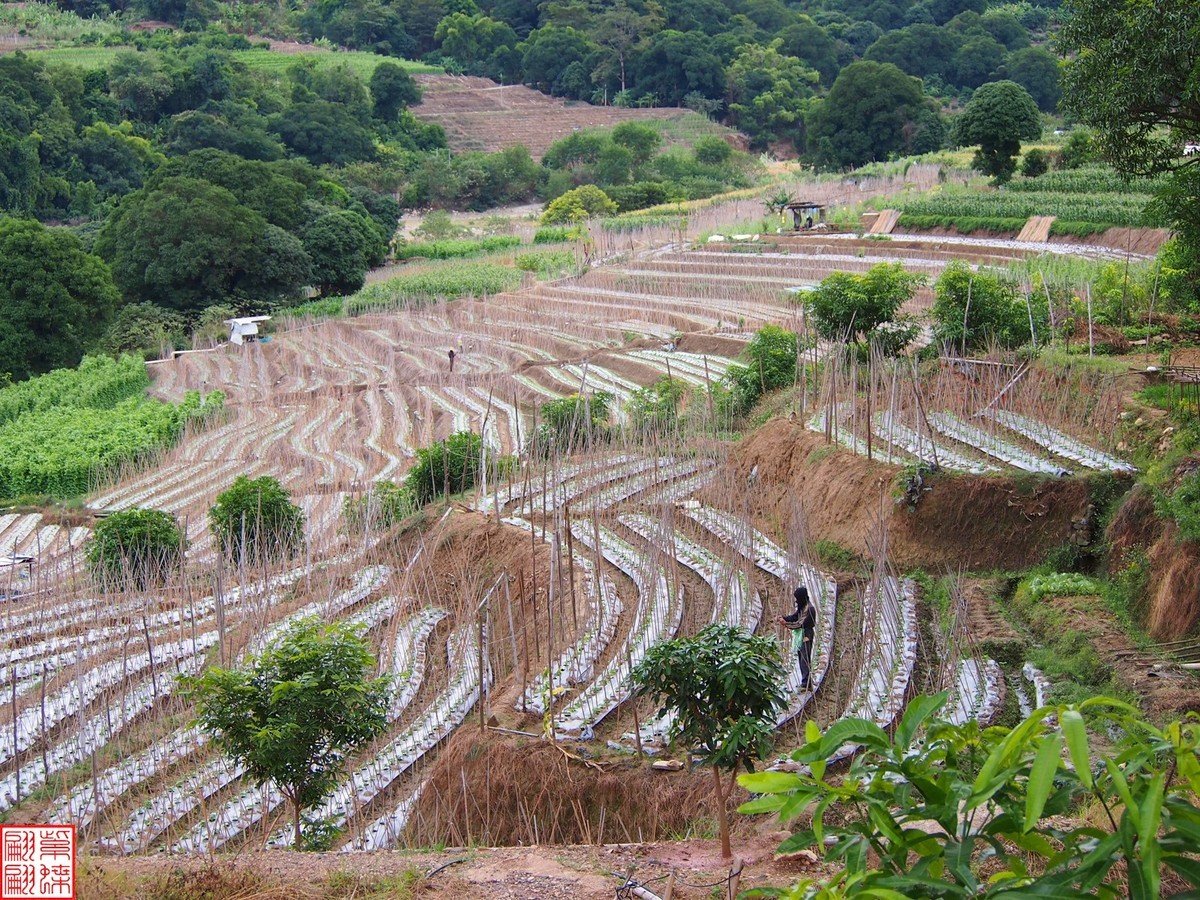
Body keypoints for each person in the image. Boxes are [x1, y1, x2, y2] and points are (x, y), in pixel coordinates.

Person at [778, 586, 816, 691]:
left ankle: (807, 683)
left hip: (806, 635)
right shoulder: (803, 607)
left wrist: (786, 624)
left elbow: (800, 624)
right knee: (801, 657)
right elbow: (795, 616)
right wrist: (784, 618)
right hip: (802, 635)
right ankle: (805, 682)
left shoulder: (809, 609)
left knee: (805, 658)